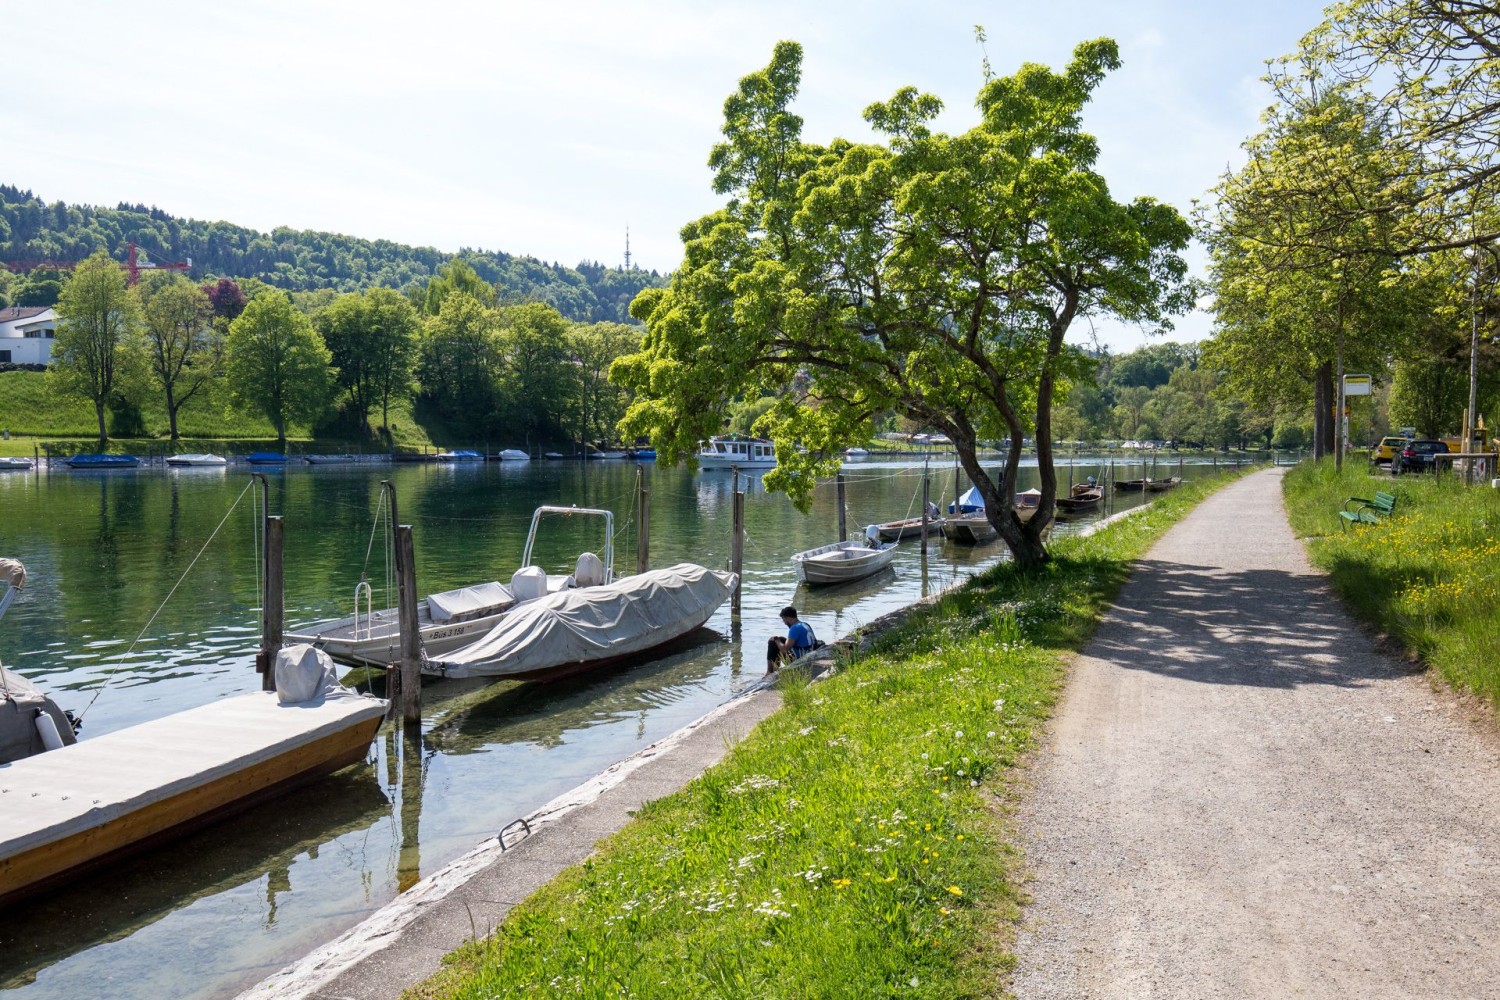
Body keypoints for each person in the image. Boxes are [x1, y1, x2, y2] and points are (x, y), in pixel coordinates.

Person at [766, 605, 817, 671]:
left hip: (800, 660)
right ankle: (776, 669)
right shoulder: (805, 624)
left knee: (773, 642)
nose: (784, 623)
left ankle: (769, 672)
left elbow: (785, 650)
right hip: (809, 654)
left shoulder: (795, 628)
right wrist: (779, 640)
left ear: (788, 618)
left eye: (784, 620)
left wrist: (776, 639)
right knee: (781, 639)